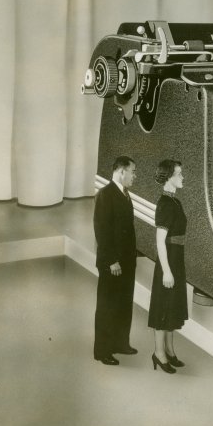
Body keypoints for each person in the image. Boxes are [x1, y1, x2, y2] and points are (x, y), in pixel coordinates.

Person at [93, 155, 138, 366]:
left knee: (124, 303)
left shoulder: (125, 194)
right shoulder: (105, 195)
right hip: (112, 263)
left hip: (127, 261)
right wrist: (111, 260)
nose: (134, 176)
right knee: (107, 305)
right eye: (132, 172)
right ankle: (103, 350)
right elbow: (101, 231)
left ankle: (121, 343)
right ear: (121, 171)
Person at [148, 159, 189, 374]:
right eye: (179, 174)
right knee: (164, 306)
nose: (182, 178)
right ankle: (158, 353)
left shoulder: (174, 201)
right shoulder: (165, 204)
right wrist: (166, 270)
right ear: (169, 177)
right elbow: (159, 241)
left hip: (176, 258)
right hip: (169, 260)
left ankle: (170, 351)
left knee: (171, 305)